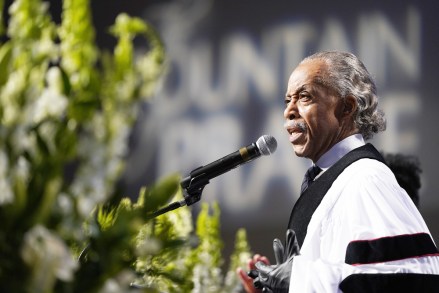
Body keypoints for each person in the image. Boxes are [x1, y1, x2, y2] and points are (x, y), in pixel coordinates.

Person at [237, 51, 439, 292]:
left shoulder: (366, 180)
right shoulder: (332, 179)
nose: (288, 111)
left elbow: (412, 279)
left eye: (304, 97)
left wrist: (301, 279)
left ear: (347, 107)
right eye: (287, 100)